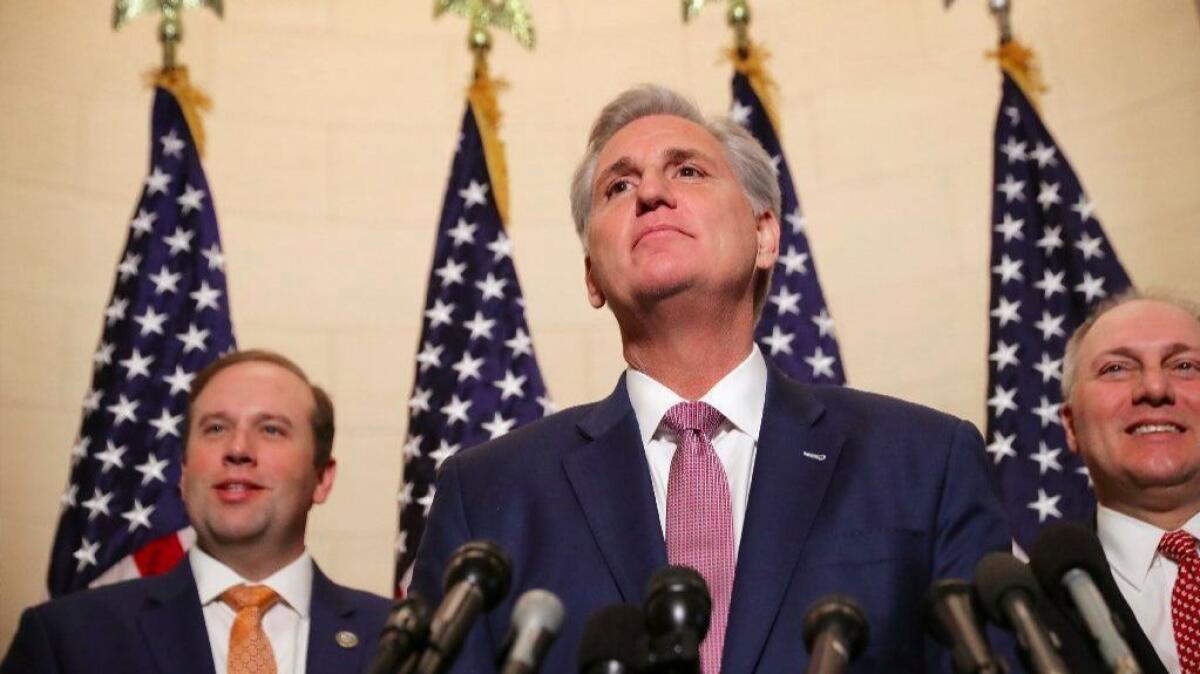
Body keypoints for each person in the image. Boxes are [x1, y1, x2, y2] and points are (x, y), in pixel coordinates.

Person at [410, 84, 1009, 673]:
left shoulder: (926, 463)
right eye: (618, 186)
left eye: (688, 172)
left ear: (765, 236)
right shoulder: (486, 496)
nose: (649, 192)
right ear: (592, 277)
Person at [1, 349, 390, 674]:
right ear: (184, 475)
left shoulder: (402, 642)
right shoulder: (67, 639)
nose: (238, 448)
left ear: (322, 478)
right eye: (216, 428)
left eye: (271, 429)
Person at [1056, 292, 1200, 674]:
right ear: (1071, 425)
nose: (1155, 388)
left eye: (1185, 365)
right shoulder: (1033, 617)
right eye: (1116, 369)